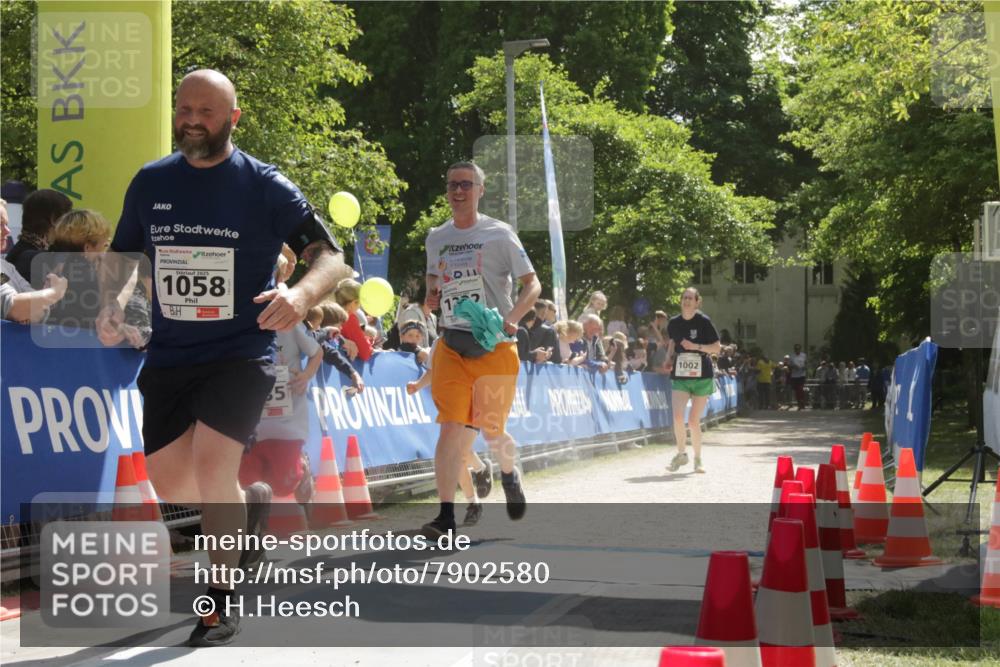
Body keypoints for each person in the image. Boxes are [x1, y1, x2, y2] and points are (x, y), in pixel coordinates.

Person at [96, 69, 349, 647]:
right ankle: (251, 505)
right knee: (173, 482)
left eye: (206, 111)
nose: (191, 119)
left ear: (233, 118)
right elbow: (123, 256)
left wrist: (301, 294)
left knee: (214, 468)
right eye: (184, 108)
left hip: (242, 349)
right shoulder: (151, 180)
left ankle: (218, 603)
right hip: (170, 353)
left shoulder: (264, 185)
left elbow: (330, 256)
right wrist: (111, 302)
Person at [420, 161, 540, 538]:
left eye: (466, 185)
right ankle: (445, 517)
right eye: (452, 184)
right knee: (451, 429)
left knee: (491, 430)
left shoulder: (500, 234)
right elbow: (433, 279)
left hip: (495, 346)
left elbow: (532, 284)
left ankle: (508, 471)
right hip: (452, 344)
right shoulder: (436, 236)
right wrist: (431, 292)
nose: (458, 191)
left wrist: (514, 318)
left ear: (480, 190)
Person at [665, 287, 721, 474]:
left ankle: (698, 459)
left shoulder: (703, 322)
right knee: (678, 416)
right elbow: (673, 342)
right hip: (681, 374)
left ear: (698, 302)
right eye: (684, 298)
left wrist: (696, 346)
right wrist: (668, 358)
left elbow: (717, 348)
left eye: (691, 298)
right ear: (681, 301)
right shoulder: (673, 322)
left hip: (702, 375)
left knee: (693, 421)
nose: (687, 300)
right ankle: (681, 454)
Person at [0, 198, 68, 323]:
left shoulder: (6, 267)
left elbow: (35, 310)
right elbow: (16, 308)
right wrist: (56, 292)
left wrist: (38, 300)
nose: (7, 231)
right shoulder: (26, 257)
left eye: (6, 224)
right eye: (0, 224)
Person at [6, 188, 72, 286]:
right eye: (67, 218)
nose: (70, 225)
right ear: (53, 219)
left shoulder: (18, 252)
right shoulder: (35, 258)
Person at [789, 343, 807, 410]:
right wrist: (793, 366)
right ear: (794, 349)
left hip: (802, 374)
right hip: (794, 375)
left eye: (798, 349)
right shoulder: (792, 356)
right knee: (797, 390)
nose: (797, 350)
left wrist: (805, 367)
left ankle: (802, 401)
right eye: (796, 349)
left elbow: (806, 363)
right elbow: (789, 366)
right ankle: (799, 403)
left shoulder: (803, 355)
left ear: (800, 349)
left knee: (800, 388)